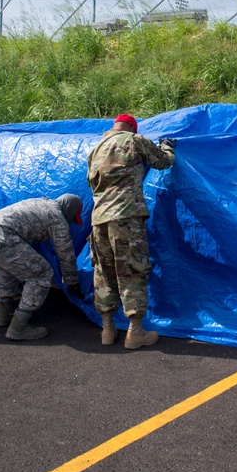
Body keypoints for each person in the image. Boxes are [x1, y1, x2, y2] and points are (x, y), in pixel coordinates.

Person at [87, 113, 175, 349]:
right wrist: (167, 148)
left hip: (98, 219)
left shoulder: (96, 148)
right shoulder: (134, 140)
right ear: (132, 128)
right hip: (126, 216)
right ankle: (135, 332)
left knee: (103, 271)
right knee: (133, 269)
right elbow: (162, 162)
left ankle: (107, 330)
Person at [0, 194, 84, 341]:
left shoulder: (40, 203)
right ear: (69, 209)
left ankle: (3, 316)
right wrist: (72, 281)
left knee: (9, 268)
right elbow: (65, 253)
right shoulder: (57, 217)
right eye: (72, 217)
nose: (71, 221)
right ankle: (19, 328)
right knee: (41, 273)